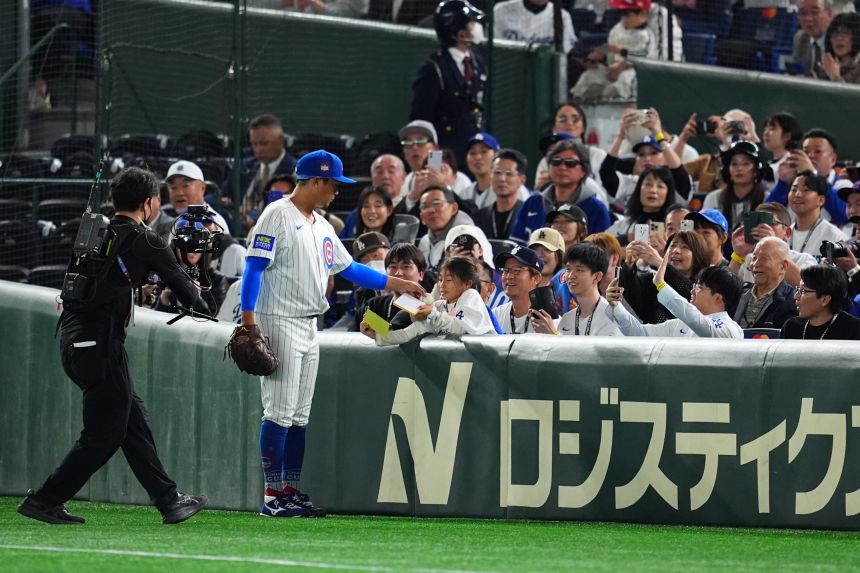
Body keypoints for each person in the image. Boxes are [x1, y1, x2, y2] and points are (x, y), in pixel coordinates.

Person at [17, 167, 211, 525]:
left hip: (75, 340)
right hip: (99, 345)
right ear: (149, 203)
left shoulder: (95, 231)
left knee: (132, 421)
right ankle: (46, 499)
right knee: (104, 435)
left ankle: (169, 500)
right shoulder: (145, 238)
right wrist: (207, 309)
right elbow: (185, 287)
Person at [239, 150, 425, 518]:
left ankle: (289, 490)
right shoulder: (276, 215)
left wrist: (395, 282)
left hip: (310, 324)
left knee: (300, 416)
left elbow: (351, 268)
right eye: (334, 185)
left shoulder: (322, 224)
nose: (337, 192)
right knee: (278, 412)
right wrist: (249, 323)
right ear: (316, 181)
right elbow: (254, 269)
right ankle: (273, 496)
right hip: (279, 318)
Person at [410, 0, 486, 168]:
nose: (477, 27)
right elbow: (424, 124)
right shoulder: (434, 69)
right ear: (459, 33)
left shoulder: (477, 62)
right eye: (472, 24)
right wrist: (434, 166)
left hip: (473, 154)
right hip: (447, 159)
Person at [362, 256, 497, 345]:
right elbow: (410, 333)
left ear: (467, 284)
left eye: (449, 280)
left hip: (493, 361)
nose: (441, 285)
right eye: (440, 279)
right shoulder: (439, 306)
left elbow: (459, 328)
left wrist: (431, 313)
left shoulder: (470, 295)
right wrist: (377, 333)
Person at [606, 251, 744, 338]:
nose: (692, 290)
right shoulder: (680, 324)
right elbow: (640, 333)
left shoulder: (730, 329)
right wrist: (616, 306)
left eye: (699, 287)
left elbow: (698, 321)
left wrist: (661, 285)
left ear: (718, 298)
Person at [514, 139, 611, 240]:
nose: (562, 167)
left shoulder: (596, 209)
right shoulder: (532, 202)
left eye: (570, 163)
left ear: (583, 170)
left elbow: (602, 253)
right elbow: (517, 244)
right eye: (556, 161)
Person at [600, 109, 691, 208]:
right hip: (635, 223)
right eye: (641, 154)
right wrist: (620, 136)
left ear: (666, 158)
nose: (647, 158)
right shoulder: (630, 182)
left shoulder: (674, 182)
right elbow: (606, 172)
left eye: (654, 153)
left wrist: (658, 133)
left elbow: (679, 172)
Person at [570, 0, 657, 100]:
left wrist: (620, 60)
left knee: (621, 82)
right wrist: (602, 58)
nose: (623, 18)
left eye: (627, 15)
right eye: (621, 14)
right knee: (588, 77)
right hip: (611, 70)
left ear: (642, 14)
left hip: (635, 72)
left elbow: (641, 57)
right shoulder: (617, 29)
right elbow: (611, 55)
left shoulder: (647, 35)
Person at [620, 229, 710, 324]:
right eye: (672, 246)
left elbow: (688, 293)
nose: (676, 251)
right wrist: (629, 265)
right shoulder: (653, 280)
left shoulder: (705, 286)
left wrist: (660, 263)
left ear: (697, 256)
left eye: (685, 247)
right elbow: (633, 298)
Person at [531, 243, 621, 336]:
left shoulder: (612, 316)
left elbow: (597, 350)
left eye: (579, 270)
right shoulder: (567, 318)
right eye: (568, 269)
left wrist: (554, 334)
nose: (570, 276)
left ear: (597, 276)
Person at [766, 128, 848, 228]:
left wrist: (813, 174)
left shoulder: (843, 185)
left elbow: (843, 216)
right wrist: (783, 183)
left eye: (818, 151)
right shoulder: (795, 184)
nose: (810, 156)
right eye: (806, 151)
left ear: (833, 159)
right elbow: (766, 214)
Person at [229, 114, 297, 231]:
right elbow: (226, 195)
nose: (258, 149)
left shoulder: (295, 170)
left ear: (280, 140)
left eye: (264, 143)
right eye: (254, 144)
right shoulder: (243, 167)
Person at [728, 201, 818, 287]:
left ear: (787, 233)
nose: (762, 228)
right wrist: (738, 254)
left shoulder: (803, 259)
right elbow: (726, 289)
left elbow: (807, 286)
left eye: (771, 223)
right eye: (757, 224)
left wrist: (773, 245)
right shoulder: (749, 259)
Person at [534, 103, 607, 190]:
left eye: (575, 119)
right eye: (563, 119)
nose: (569, 123)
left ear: (583, 126)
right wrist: (540, 188)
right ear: (554, 127)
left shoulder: (598, 156)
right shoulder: (545, 161)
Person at [701, 141, 768, 232]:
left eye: (746, 163)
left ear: (756, 171)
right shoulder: (713, 198)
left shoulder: (767, 199)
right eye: (734, 164)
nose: (739, 168)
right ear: (727, 170)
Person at [733, 237, 798, 329]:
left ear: (783, 266)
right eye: (754, 258)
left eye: (764, 258)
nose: (755, 264)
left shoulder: (793, 301)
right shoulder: (738, 293)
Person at [781, 264, 860, 339]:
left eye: (803, 291)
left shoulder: (854, 329)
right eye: (798, 289)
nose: (796, 296)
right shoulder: (791, 327)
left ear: (825, 299)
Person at [606, 166, 676, 243]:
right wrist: (627, 238)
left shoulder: (673, 226)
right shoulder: (624, 224)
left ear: (668, 193)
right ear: (639, 189)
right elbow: (599, 244)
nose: (653, 190)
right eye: (648, 184)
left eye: (660, 186)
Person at [472, 148, 530, 240]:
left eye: (508, 173)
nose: (502, 178)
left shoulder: (530, 216)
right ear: (490, 177)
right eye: (497, 172)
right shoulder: (478, 219)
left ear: (521, 180)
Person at [786, 171, 847, 256]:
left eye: (806, 190)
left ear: (821, 200)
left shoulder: (836, 237)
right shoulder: (782, 235)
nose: (797, 194)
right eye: (793, 189)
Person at [417, 185, 475, 271]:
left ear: (454, 208)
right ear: (421, 217)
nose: (431, 210)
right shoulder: (424, 241)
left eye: (437, 203)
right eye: (424, 206)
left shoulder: (466, 237)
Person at [164, 160, 231, 234]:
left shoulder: (212, 223)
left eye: (186, 186)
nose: (179, 193)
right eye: (173, 187)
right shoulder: (178, 221)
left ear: (202, 188)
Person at [492, 246, 547, 333]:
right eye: (506, 270)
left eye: (516, 270)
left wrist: (551, 334)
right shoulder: (495, 316)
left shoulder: (548, 319)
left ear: (536, 278)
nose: (509, 276)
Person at [493, 0, 577, 54]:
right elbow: (492, 51)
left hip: (544, 74)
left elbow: (566, 54)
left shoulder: (562, 16)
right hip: (508, 71)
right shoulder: (500, 11)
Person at [792, 0, 834, 77]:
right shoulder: (800, 39)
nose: (808, 18)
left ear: (829, 14)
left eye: (814, 12)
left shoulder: (840, 42)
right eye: (803, 13)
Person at [762, 112, 803, 182]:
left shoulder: (792, 161)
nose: (766, 133)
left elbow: (768, 173)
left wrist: (754, 140)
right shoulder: (770, 163)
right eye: (765, 129)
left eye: (772, 129)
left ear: (787, 136)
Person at [820, 13, 860, 83]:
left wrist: (836, 78)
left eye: (845, 33)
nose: (839, 38)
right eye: (835, 33)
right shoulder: (826, 63)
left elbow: (853, 94)